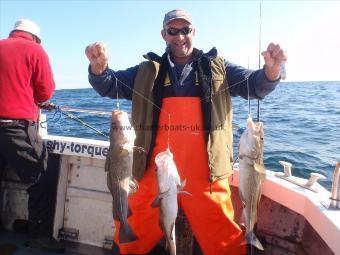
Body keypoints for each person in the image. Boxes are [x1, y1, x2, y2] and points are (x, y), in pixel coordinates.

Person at [86, 9, 287, 255]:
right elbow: (110, 85)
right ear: (164, 34)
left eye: (185, 30)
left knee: (221, 227)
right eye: (173, 31)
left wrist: (273, 71)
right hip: (153, 164)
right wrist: (98, 69)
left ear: (195, 32)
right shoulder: (147, 71)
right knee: (134, 221)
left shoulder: (218, 67)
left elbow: (254, 85)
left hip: (206, 170)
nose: (179, 37)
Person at [0, 19, 65, 253]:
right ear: (36, 38)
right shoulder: (35, 50)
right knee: (43, 176)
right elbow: (45, 91)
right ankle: (39, 238)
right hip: (14, 127)